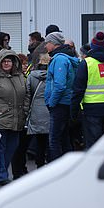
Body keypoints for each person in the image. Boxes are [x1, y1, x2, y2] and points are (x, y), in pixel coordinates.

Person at [0, 49, 29, 186]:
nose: (7, 63)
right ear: (0, 62)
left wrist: (25, 109)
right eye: (4, 61)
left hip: (16, 118)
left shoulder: (20, 76)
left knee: (12, 147)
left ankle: (2, 171)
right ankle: (0, 176)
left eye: (10, 61)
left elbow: (26, 94)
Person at [44, 31, 79, 161]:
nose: (45, 46)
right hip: (65, 103)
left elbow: (60, 85)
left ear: (53, 44)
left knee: (54, 140)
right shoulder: (66, 57)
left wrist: (51, 102)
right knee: (64, 138)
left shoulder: (59, 59)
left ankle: (55, 171)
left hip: (59, 105)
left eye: (47, 43)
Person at [24, 53, 50, 169]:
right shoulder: (54, 75)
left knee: (39, 140)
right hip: (50, 110)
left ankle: (39, 163)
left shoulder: (31, 76)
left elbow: (27, 94)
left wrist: (26, 110)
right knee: (50, 141)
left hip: (35, 110)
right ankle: (49, 163)